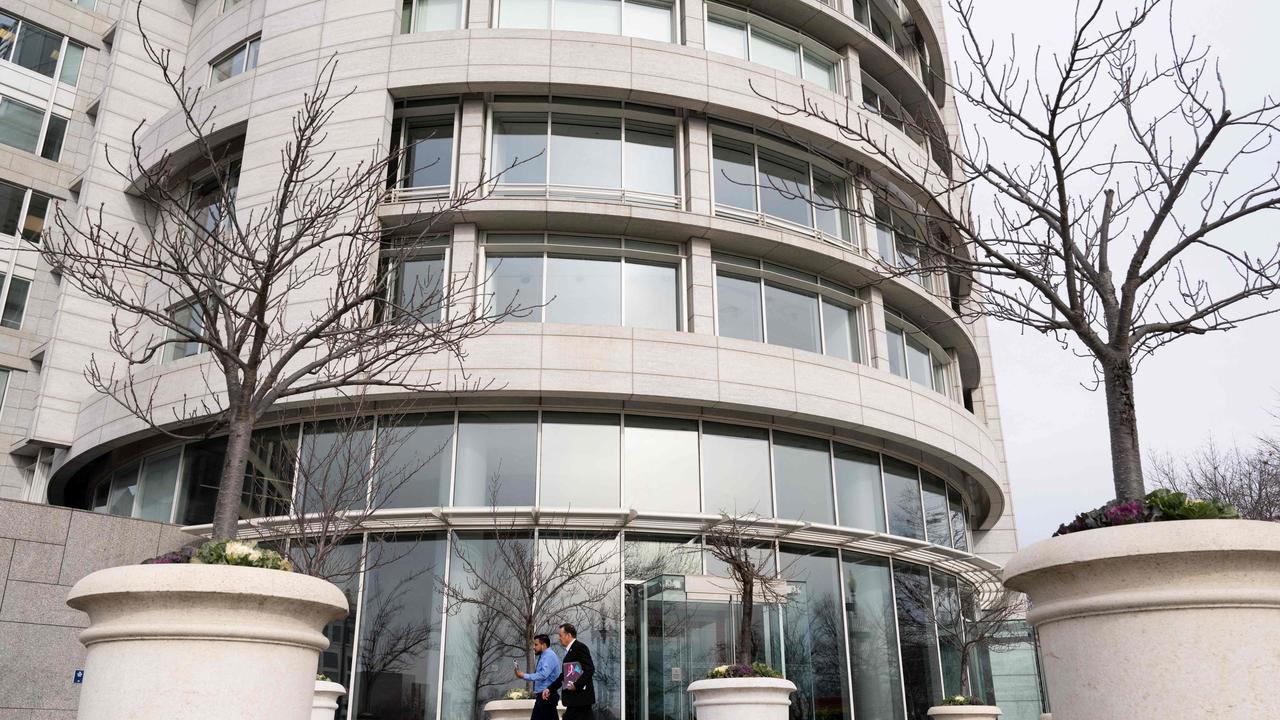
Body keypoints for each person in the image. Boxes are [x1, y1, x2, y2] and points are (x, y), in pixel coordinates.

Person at [543, 623, 595, 720]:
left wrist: (577, 685)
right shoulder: (570, 650)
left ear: (569, 635)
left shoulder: (580, 648)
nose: (559, 638)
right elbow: (564, 675)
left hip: (581, 701)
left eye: (560, 635)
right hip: (574, 701)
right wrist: (550, 689)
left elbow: (590, 669)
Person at [516, 634, 561, 720]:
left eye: (536, 645)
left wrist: (524, 675)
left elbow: (543, 674)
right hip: (543, 696)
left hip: (547, 696)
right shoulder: (544, 656)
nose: (534, 647)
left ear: (543, 645)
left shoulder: (549, 656)